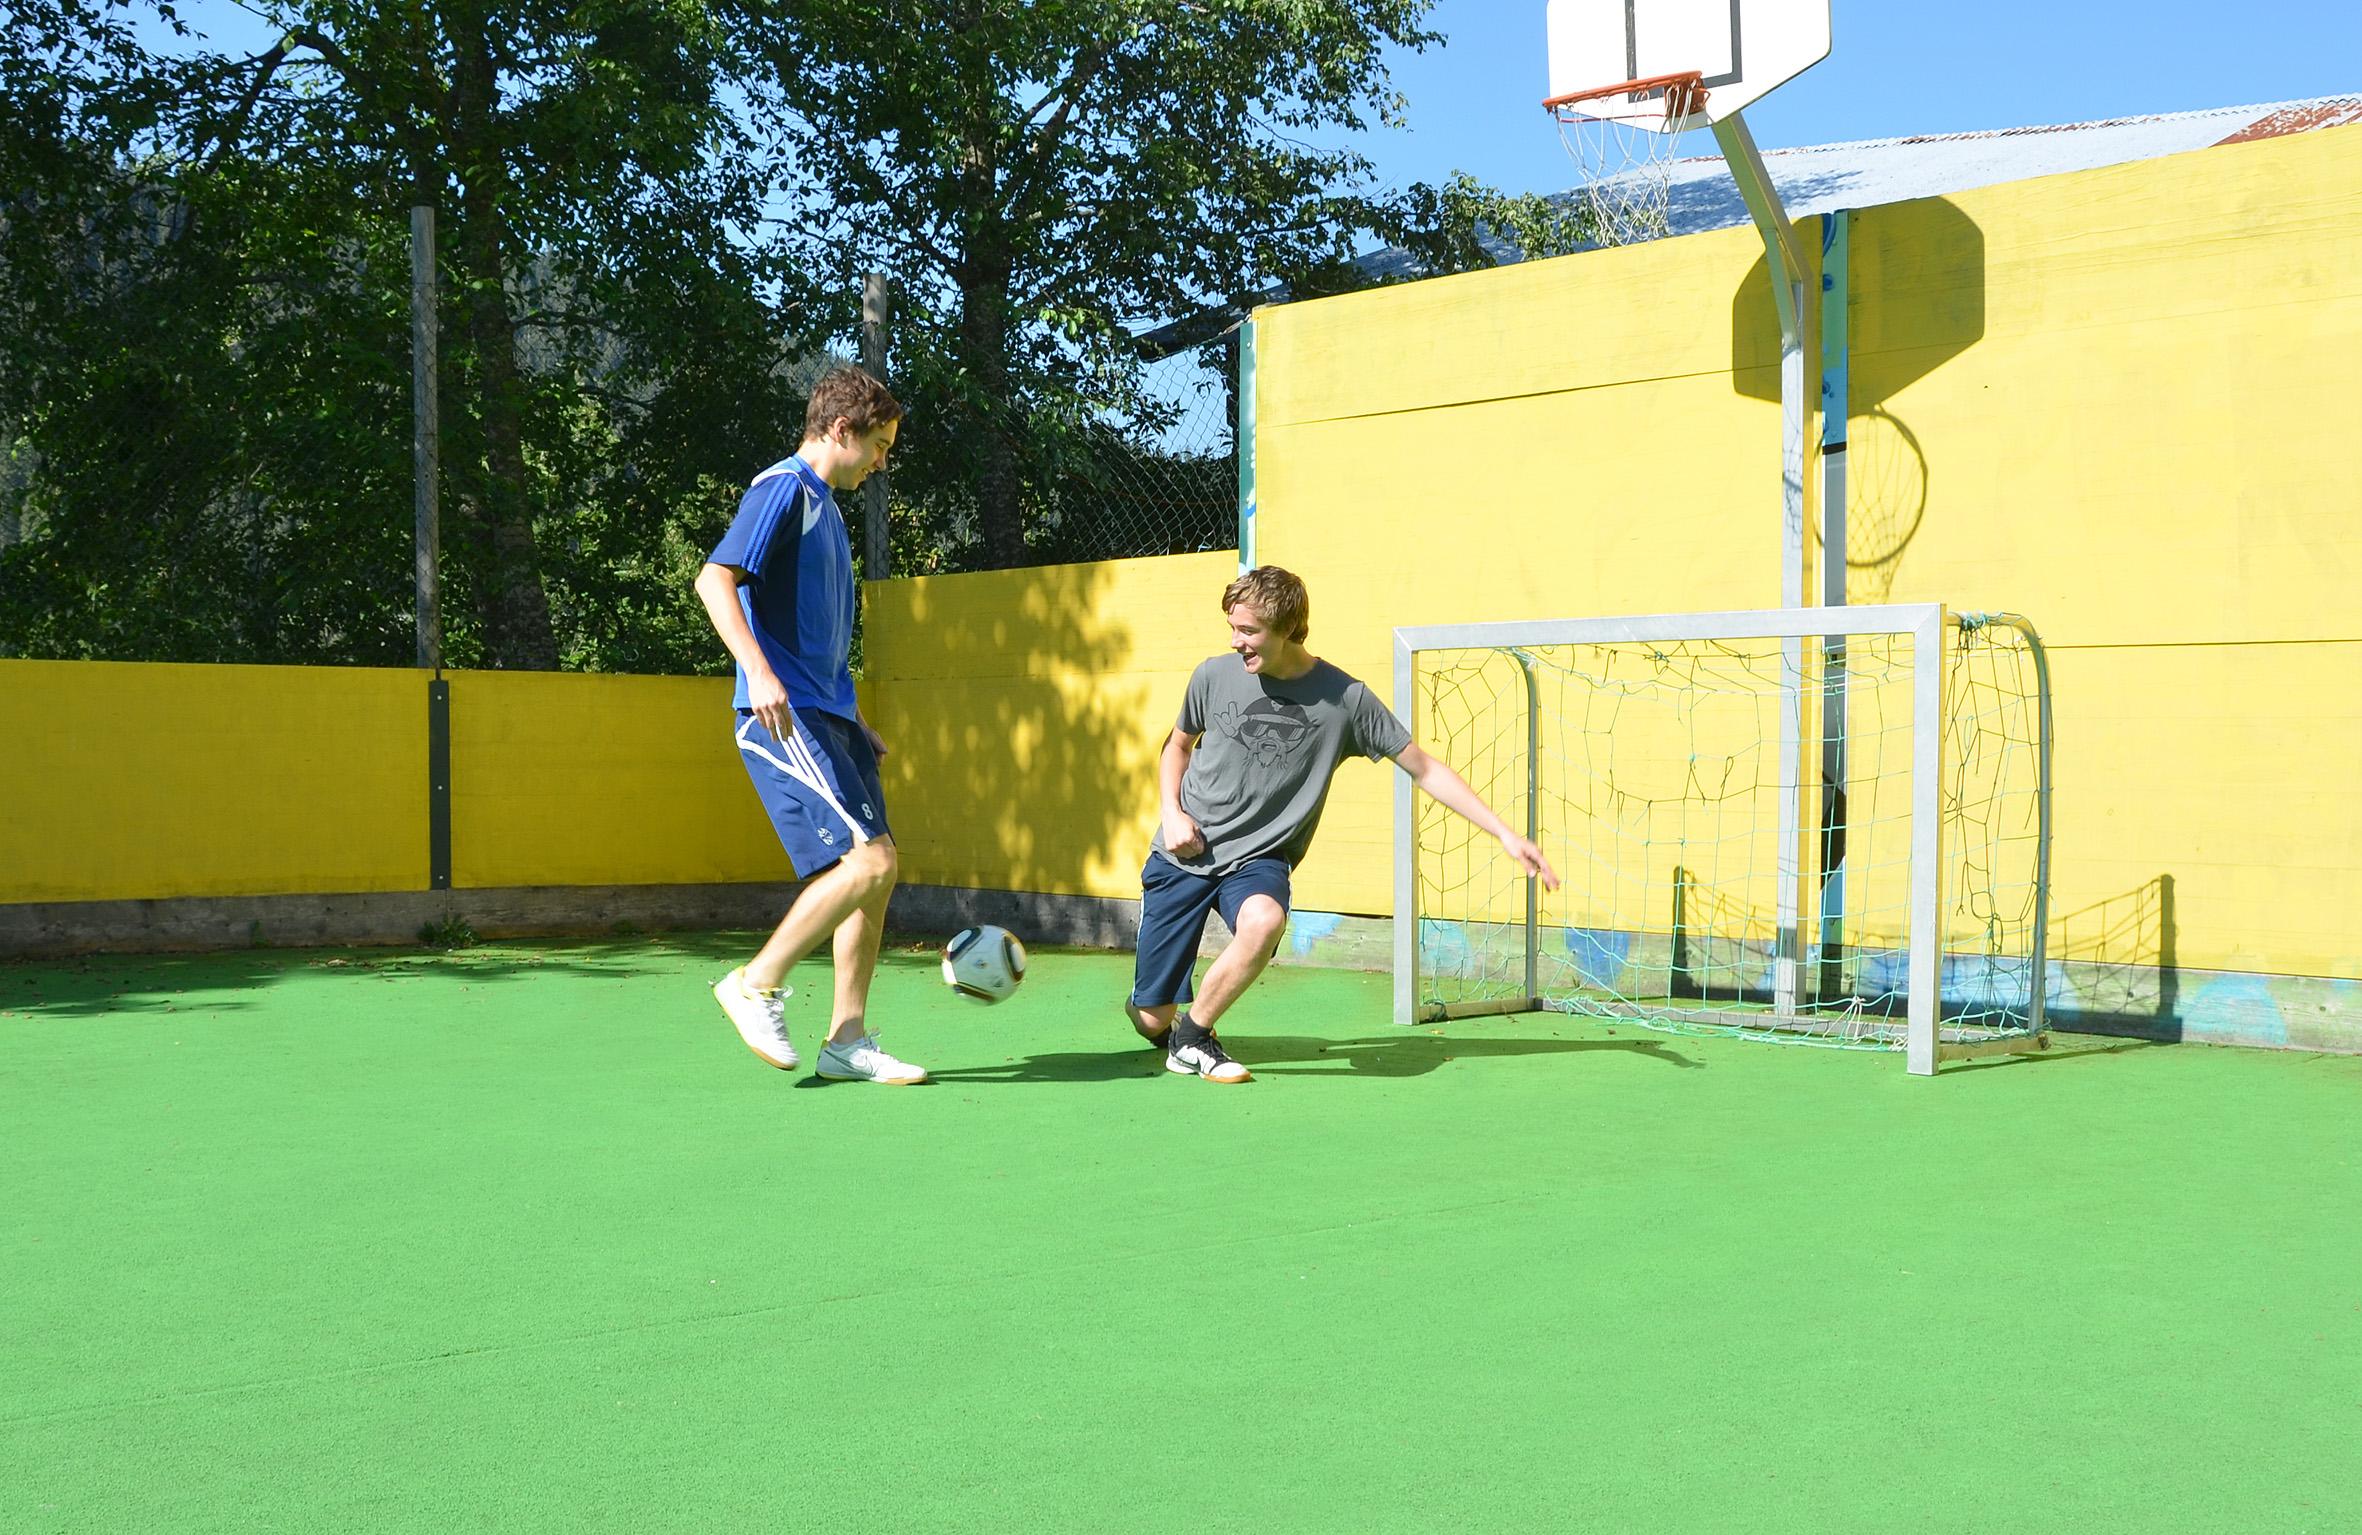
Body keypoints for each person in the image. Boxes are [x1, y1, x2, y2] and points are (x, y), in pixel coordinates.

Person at [1127, 566, 1560, 1083]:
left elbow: (1424, 768)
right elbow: (1177, 746)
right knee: (1150, 1018)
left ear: (1288, 629)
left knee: (1264, 919)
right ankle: (1167, 1021)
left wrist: (1505, 833)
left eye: (1248, 630)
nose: (1235, 641)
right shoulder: (1212, 675)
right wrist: (1171, 813)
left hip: (1258, 858)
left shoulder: (1346, 699)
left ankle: (1194, 1038)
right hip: (1185, 851)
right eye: (1232, 628)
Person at [695, 365, 925, 1085]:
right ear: (840, 430)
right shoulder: (784, 489)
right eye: (879, 446)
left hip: (829, 717)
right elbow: (713, 579)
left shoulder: (823, 507)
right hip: (784, 717)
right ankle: (754, 983)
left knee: (877, 874)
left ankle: (846, 1040)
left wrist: (855, 717)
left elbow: (813, 634)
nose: (882, 462)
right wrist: (758, 673)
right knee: (869, 863)